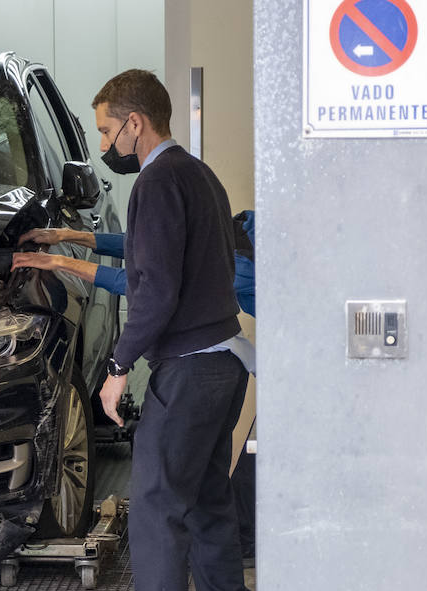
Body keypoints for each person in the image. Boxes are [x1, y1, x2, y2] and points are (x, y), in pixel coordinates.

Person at [52, 70, 256, 591]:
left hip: (190, 370)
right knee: (204, 503)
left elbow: (154, 290)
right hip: (224, 364)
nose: (107, 143)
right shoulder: (199, 176)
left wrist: (117, 368)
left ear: (135, 124)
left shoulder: (158, 181)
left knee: (156, 515)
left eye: (107, 129)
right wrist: (73, 242)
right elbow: (194, 260)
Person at [13, 210, 258, 562]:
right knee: (234, 465)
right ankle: (231, 546)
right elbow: (150, 250)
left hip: (307, 364)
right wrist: (70, 235)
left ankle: (239, 545)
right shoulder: (236, 228)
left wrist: (60, 262)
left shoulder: (243, 259)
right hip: (270, 359)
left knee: (255, 457)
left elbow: (149, 285)